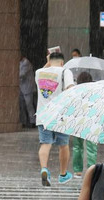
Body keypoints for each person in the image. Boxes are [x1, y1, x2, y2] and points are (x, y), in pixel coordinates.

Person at [35, 51, 75, 186]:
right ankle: (63, 174)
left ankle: (44, 169)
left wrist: (48, 61)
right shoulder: (65, 72)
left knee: (45, 143)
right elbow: (71, 89)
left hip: (43, 116)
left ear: (49, 61)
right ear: (62, 62)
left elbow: (47, 70)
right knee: (63, 145)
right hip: (60, 115)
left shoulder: (39, 72)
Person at [72, 72, 98, 178]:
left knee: (77, 146)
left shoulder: (75, 92)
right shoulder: (95, 92)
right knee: (92, 147)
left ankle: (77, 170)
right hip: (92, 121)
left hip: (78, 120)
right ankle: (91, 169)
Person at [19, 54, 36, 128]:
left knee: (29, 105)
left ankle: (33, 121)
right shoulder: (20, 63)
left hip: (28, 88)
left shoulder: (26, 63)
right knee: (22, 105)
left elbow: (21, 74)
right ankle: (24, 121)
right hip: (21, 87)